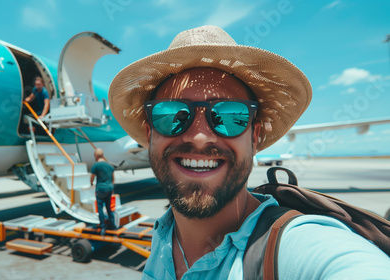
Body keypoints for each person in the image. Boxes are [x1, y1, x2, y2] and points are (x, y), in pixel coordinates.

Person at [108, 26, 390, 279]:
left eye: (231, 116)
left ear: (254, 137)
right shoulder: (165, 234)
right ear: (149, 134)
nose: (200, 136)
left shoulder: (298, 245)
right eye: (172, 115)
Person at [90, 148, 116, 235]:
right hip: (109, 188)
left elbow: (92, 177)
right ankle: (113, 225)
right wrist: (111, 187)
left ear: (96, 156)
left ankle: (103, 227)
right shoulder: (109, 165)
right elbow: (113, 178)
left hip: (101, 189)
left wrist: (91, 183)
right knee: (108, 207)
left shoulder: (96, 165)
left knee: (100, 208)